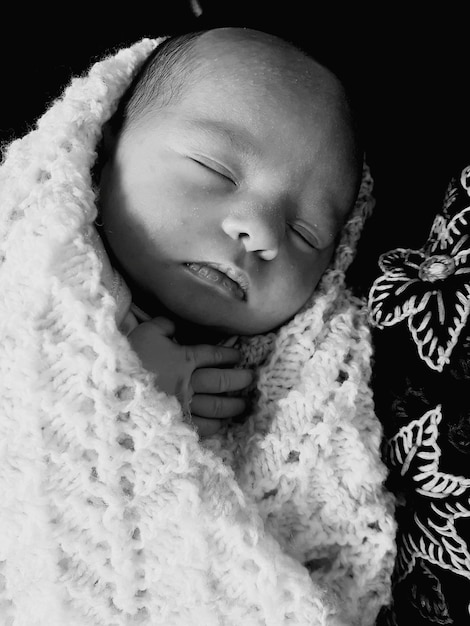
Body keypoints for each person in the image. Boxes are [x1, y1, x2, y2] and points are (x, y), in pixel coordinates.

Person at [92, 26, 363, 437]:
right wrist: (120, 393)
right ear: (106, 141)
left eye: (305, 233)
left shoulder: (290, 386)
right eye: (214, 169)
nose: (261, 231)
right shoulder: (31, 269)